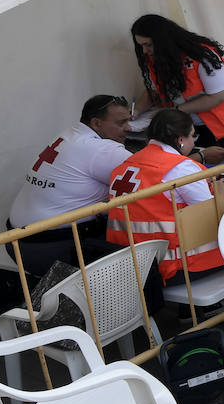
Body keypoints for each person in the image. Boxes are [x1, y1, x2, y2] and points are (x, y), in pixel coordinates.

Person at [8, 95, 135, 279]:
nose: (129, 128)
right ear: (96, 123)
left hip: (16, 243)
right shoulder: (102, 149)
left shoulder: (69, 134)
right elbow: (155, 174)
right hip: (54, 248)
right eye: (121, 122)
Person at [106, 108, 224, 285]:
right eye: (192, 136)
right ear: (180, 139)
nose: (192, 142)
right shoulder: (181, 167)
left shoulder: (127, 164)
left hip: (127, 264)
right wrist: (220, 194)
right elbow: (210, 215)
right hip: (171, 265)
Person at [131, 15, 224, 150]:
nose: (145, 50)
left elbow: (219, 96)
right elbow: (153, 91)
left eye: (148, 44)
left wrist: (175, 111)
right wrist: (135, 111)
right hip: (191, 128)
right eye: (141, 45)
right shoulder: (157, 58)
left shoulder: (201, 55)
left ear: (163, 40)